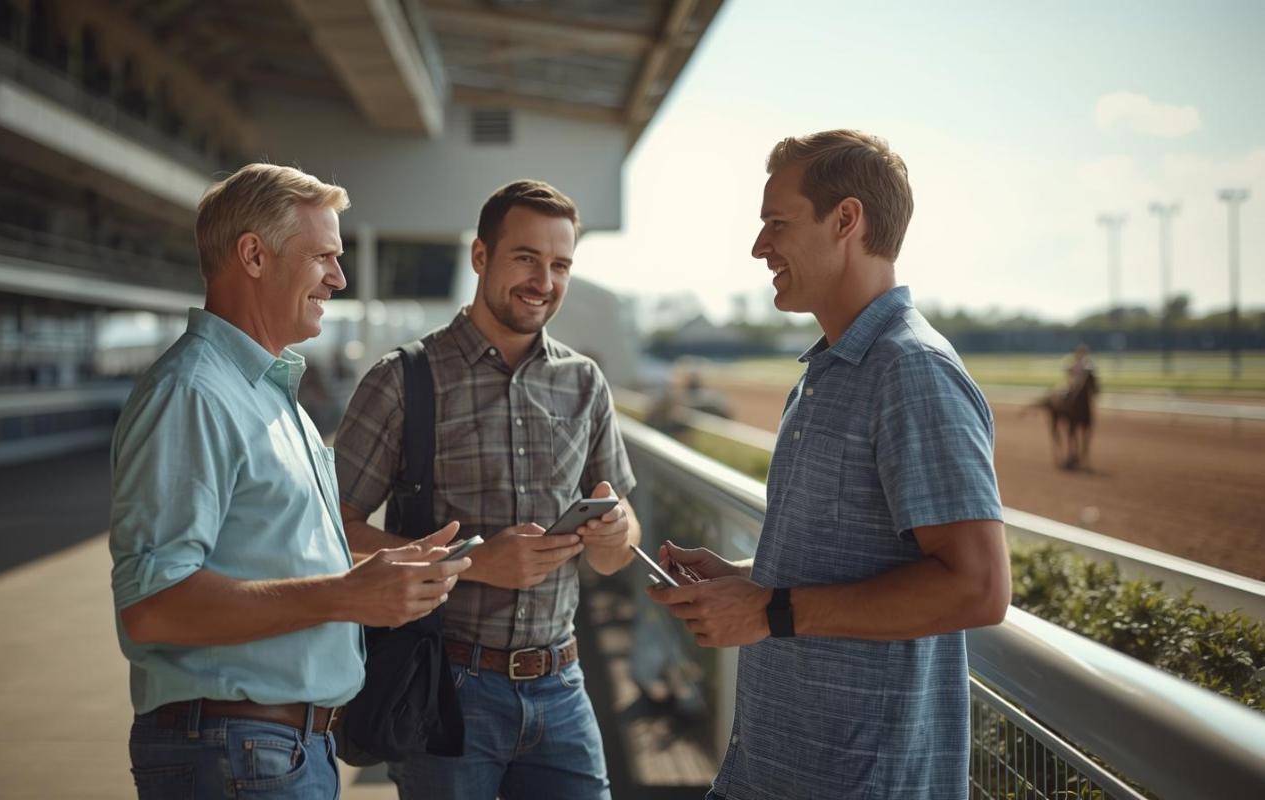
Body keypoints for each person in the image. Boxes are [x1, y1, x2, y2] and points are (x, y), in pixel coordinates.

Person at [648, 130, 1010, 800]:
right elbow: (847, 563)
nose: (759, 247)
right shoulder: (827, 371)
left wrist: (769, 610)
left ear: (846, 220)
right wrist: (744, 580)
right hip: (769, 773)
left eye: (777, 224)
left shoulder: (913, 371)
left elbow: (979, 588)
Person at [108, 163, 471, 799]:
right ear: (254, 255)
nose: (339, 278)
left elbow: (274, 557)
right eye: (323, 256)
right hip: (237, 753)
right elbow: (152, 606)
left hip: (276, 751)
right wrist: (344, 596)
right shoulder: (193, 393)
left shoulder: (269, 396)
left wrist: (381, 575)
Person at [336, 180, 642, 799]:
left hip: (563, 686)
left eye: (560, 265)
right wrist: (475, 564)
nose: (544, 281)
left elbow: (618, 550)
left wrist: (615, 531)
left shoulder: (585, 382)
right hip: (443, 688)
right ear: (481, 257)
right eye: (526, 258)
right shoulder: (401, 380)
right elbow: (331, 533)